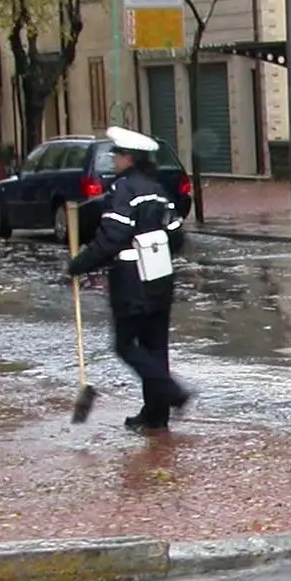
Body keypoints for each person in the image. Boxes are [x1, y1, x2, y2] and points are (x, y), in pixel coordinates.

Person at [67, 126, 189, 432]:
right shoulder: (158, 190)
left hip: (132, 283)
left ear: (129, 158)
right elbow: (177, 235)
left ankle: (172, 392)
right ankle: (155, 415)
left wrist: (79, 264)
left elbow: (111, 238)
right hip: (160, 278)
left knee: (126, 345)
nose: (115, 160)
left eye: (118, 154)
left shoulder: (124, 191)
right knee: (155, 346)